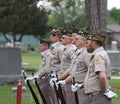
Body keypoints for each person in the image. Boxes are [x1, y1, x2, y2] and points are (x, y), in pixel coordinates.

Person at [57, 30, 92, 104]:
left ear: (84, 41)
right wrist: (64, 81)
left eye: (77, 39)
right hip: (75, 85)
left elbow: (91, 71)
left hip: (82, 86)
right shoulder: (77, 52)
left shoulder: (86, 53)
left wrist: (83, 84)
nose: (74, 40)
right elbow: (73, 71)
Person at [81, 35, 117, 104]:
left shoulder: (99, 55)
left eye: (88, 43)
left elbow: (102, 77)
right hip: (95, 95)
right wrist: (83, 84)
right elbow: (94, 76)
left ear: (94, 43)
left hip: (99, 95)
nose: (87, 45)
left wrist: (104, 91)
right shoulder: (97, 54)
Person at [26, 38, 55, 104]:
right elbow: (42, 68)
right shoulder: (44, 54)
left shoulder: (49, 55)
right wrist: (34, 75)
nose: (39, 47)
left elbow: (46, 68)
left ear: (46, 46)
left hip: (46, 80)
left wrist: (38, 75)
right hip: (42, 80)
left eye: (41, 45)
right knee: (44, 99)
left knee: (48, 99)